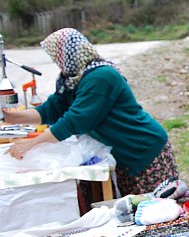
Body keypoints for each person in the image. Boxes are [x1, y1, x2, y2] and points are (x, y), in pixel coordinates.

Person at [2, 28, 179, 197]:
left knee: (156, 211)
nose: (56, 61)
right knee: (133, 211)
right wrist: (12, 117)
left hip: (142, 150)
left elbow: (75, 120)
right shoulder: (72, 79)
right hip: (122, 155)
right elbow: (51, 110)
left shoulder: (101, 76)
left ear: (70, 53)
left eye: (57, 56)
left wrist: (30, 144)